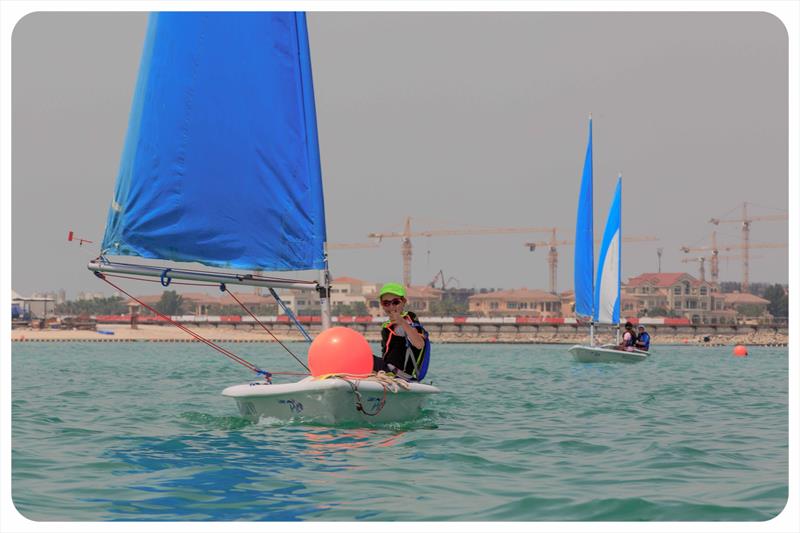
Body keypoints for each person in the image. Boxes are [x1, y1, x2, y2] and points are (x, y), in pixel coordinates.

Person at [373, 282, 430, 380]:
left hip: (400, 374)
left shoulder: (409, 319)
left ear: (403, 302)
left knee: (361, 357)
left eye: (395, 302)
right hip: (387, 370)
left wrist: (403, 323)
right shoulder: (387, 325)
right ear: (382, 304)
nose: (391, 307)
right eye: (386, 303)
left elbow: (419, 344)